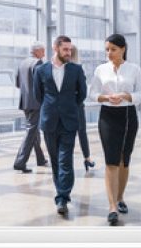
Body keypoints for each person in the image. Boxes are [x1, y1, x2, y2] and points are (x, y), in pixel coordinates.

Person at [89, 34, 141, 224]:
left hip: (128, 116)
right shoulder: (101, 69)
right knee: (111, 161)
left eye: (113, 49)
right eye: (107, 49)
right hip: (107, 117)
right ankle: (112, 206)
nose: (109, 53)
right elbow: (92, 94)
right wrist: (105, 98)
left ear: (123, 49)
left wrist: (127, 96)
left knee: (124, 159)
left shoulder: (134, 69)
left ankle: (120, 197)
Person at [33, 35, 87, 214]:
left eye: (70, 50)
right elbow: (38, 95)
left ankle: (62, 197)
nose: (69, 53)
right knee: (55, 160)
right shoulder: (41, 71)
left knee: (65, 160)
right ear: (55, 48)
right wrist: (53, 108)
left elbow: (82, 95)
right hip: (49, 121)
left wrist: (68, 106)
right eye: (65, 49)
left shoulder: (76, 69)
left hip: (69, 120)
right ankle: (61, 192)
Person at [13, 41, 49, 173]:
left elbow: (18, 83)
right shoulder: (38, 63)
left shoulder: (22, 63)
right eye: (43, 51)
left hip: (25, 102)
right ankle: (20, 162)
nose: (44, 54)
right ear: (37, 51)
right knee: (30, 131)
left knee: (33, 131)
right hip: (36, 102)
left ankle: (40, 159)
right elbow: (42, 84)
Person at [70, 44, 96, 172]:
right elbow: (83, 91)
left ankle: (65, 160)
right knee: (82, 133)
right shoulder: (78, 69)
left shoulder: (58, 69)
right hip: (77, 106)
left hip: (63, 107)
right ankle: (87, 158)